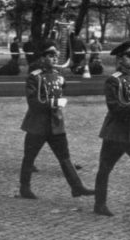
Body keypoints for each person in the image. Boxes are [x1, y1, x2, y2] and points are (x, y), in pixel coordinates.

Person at [18, 40, 94, 199]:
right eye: (50, 55)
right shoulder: (34, 77)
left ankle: (77, 187)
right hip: (37, 124)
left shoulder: (58, 76)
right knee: (29, 157)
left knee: (65, 157)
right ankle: (24, 188)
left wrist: (61, 83)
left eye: (56, 55)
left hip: (55, 124)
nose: (54, 58)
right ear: (42, 57)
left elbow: (60, 87)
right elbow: (33, 102)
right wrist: (54, 102)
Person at [93, 41, 130, 216]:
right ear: (120, 59)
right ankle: (99, 204)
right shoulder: (113, 80)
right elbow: (114, 106)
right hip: (116, 133)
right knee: (105, 169)